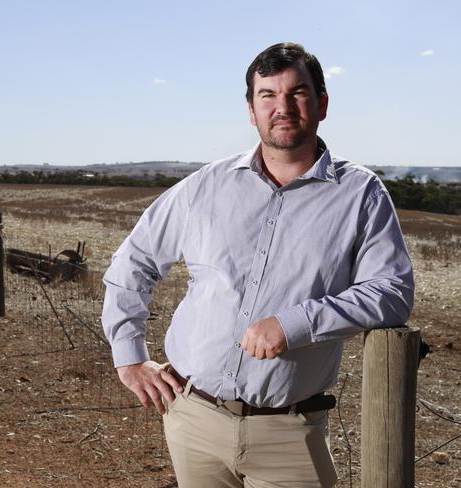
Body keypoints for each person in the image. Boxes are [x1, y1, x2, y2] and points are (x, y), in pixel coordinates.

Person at [101, 42, 414, 488]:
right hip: (193, 419)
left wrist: (295, 324)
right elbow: (134, 261)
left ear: (321, 104)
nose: (281, 107)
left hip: (289, 433)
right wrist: (129, 357)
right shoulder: (204, 187)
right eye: (267, 95)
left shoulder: (360, 194)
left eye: (297, 93)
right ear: (251, 109)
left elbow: (392, 292)